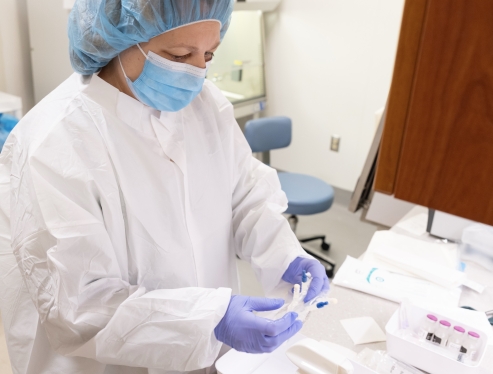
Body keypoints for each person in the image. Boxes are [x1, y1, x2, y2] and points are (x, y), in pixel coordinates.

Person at [0, 1, 329, 373]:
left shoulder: (207, 107)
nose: (197, 72)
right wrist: (209, 320)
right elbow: (78, 306)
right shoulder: (54, 142)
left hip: (204, 356)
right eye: (179, 54)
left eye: (208, 54)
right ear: (120, 38)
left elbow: (245, 196)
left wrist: (284, 255)